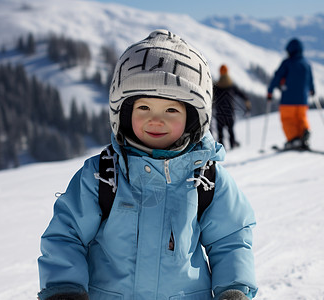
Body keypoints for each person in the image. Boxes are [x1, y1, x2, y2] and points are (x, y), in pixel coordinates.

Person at [37, 30, 258, 300]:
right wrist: (65, 288)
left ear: (192, 118)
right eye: (144, 108)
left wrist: (233, 290)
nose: (156, 120)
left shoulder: (206, 180)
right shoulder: (102, 176)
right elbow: (66, 235)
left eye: (171, 110)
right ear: (125, 112)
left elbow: (230, 240)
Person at [267, 38, 315, 150]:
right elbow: (310, 80)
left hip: (288, 99)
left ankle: (294, 139)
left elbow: (277, 77)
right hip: (303, 99)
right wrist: (312, 90)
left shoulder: (287, 63)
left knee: (288, 119)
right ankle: (304, 132)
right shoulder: (306, 64)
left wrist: (270, 91)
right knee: (301, 117)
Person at [213, 64, 251, 149]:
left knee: (220, 131)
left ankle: (221, 146)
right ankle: (232, 144)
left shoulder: (217, 86)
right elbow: (242, 95)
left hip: (219, 112)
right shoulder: (231, 85)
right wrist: (247, 101)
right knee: (230, 130)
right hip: (229, 112)